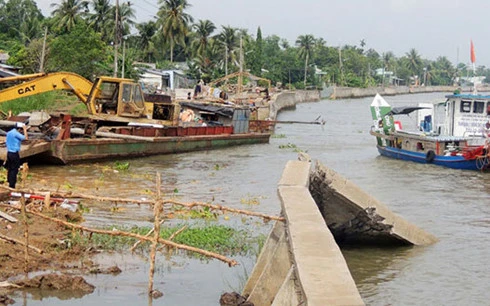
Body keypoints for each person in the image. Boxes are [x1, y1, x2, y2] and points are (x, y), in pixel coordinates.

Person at [5, 122, 28, 189]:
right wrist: (25, 129)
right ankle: (12, 185)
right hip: (14, 153)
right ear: (19, 129)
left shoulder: (9, 132)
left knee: (10, 168)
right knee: (14, 169)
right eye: (21, 130)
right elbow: (26, 138)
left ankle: (9, 182)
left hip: (9, 153)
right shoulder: (16, 133)